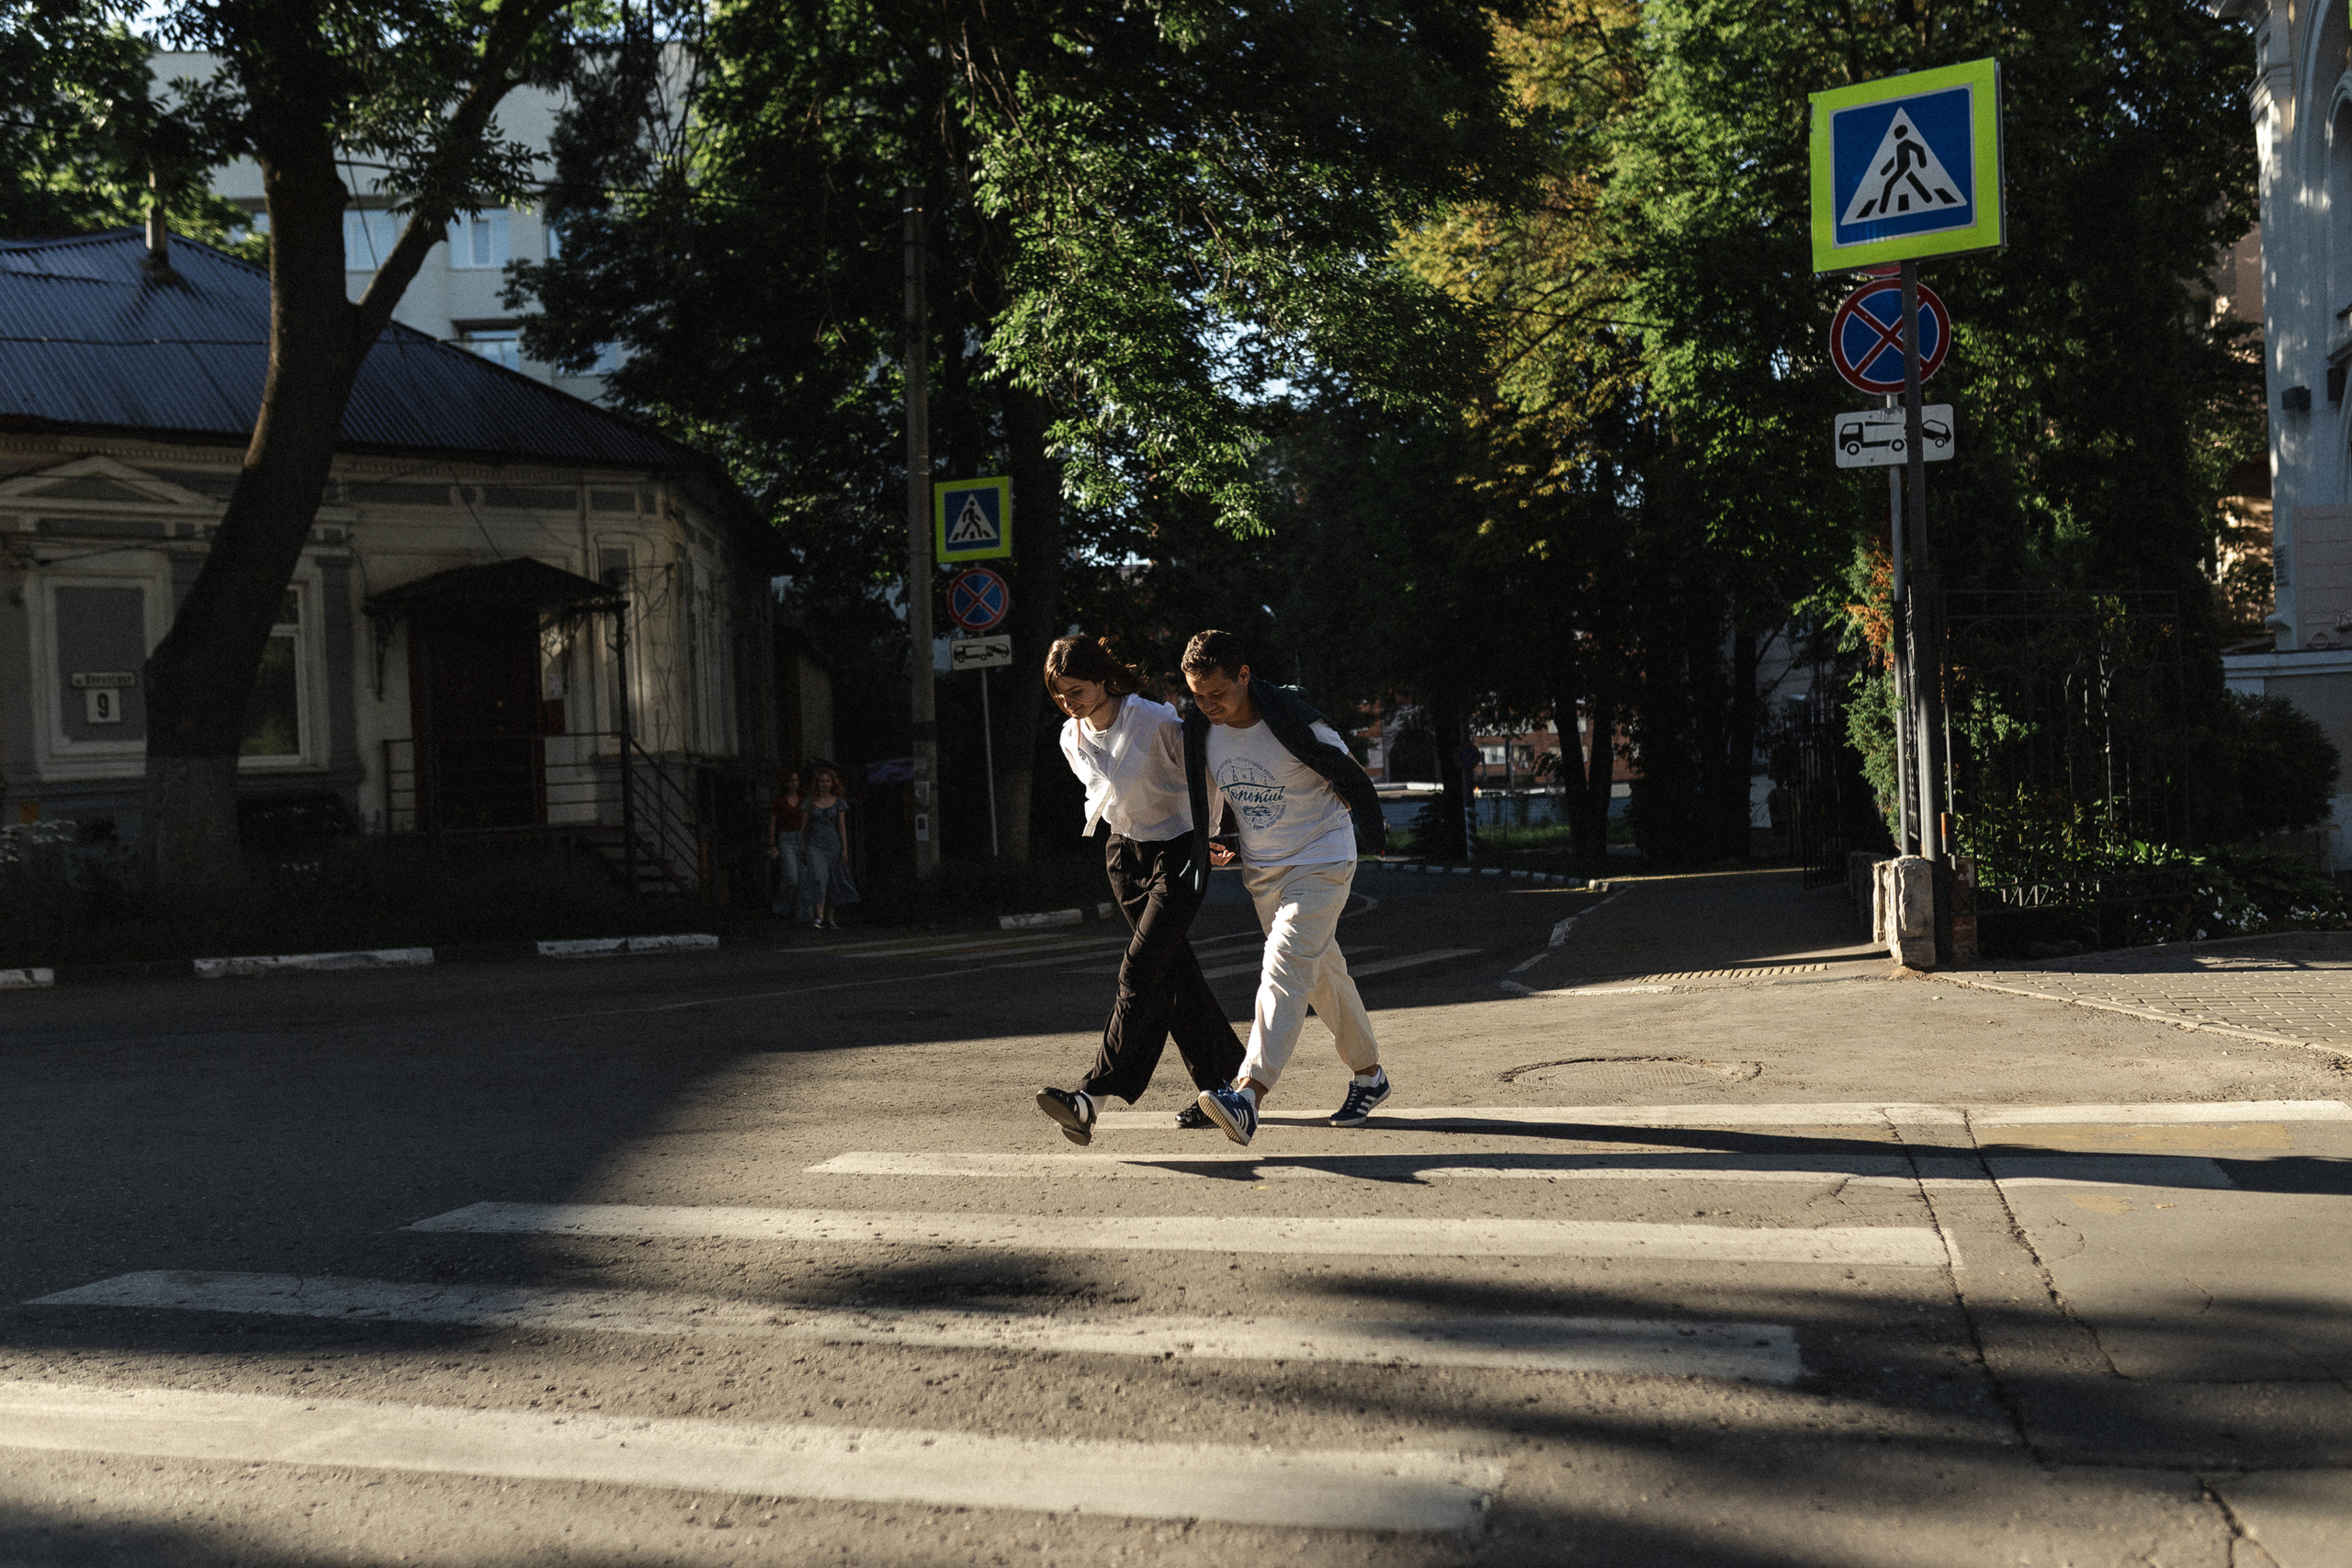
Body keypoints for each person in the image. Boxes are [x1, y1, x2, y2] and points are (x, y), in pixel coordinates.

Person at [1180, 629, 1391, 1146]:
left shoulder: (1295, 719)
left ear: (1244, 676)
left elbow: (1345, 770)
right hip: (1264, 870)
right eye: (1197, 695)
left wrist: (1360, 810)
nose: (1208, 705)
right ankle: (1371, 1077)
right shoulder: (1202, 730)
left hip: (1321, 859)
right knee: (1322, 976)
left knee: (1284, 965)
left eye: (1218, 694)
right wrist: (1205, 836)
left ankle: (1247, 1094)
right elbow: (1202, 786)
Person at [1034, 637, 1245, 1145]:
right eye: (1060, 695)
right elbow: (1101, 796)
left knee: (1141, 969)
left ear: (1105, 680)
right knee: (1172, 975)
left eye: (1076, 691)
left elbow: (1208, 772)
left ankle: (1091, 1098)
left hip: (1177, 853)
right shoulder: (1071, 736)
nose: (1069, 703)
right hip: (1124, 858)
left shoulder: (1154, 721)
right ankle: (1229, 1086)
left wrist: (1211, 832)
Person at [799, 762, 856, 931]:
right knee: (818, 877)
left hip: (833, 845)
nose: (824, 784)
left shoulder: (838, 802)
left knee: (834, 881)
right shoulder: (809, 802)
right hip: (815, 845)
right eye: (821, 781)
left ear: (832, 783)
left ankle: (830, 918)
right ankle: (819, 915)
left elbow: (841, 826)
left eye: (827, 781)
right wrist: (802, 846)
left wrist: (844, 849)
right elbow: (804, 827)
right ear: (816, 783)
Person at [771, 768, 806, 919]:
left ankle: (800, 911)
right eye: (791, 781)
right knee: (791, 877)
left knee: (803, 877)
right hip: (786, 838)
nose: (794, 784)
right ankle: (780, 908)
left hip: (801, 838)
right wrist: (772, 843)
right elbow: (773, 822)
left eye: (796, 780)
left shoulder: (803, 798)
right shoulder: (779, 800)